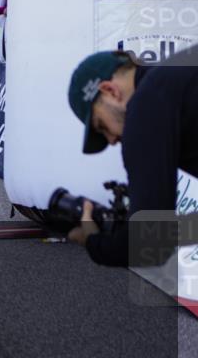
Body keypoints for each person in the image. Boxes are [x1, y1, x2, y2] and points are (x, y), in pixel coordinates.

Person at [66, 46, 198, 267]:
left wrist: (93, 241)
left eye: (102, 127)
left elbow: (150, 243)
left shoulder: (144, 109)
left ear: (110, 91)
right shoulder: (177, 76)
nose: (111, 140)